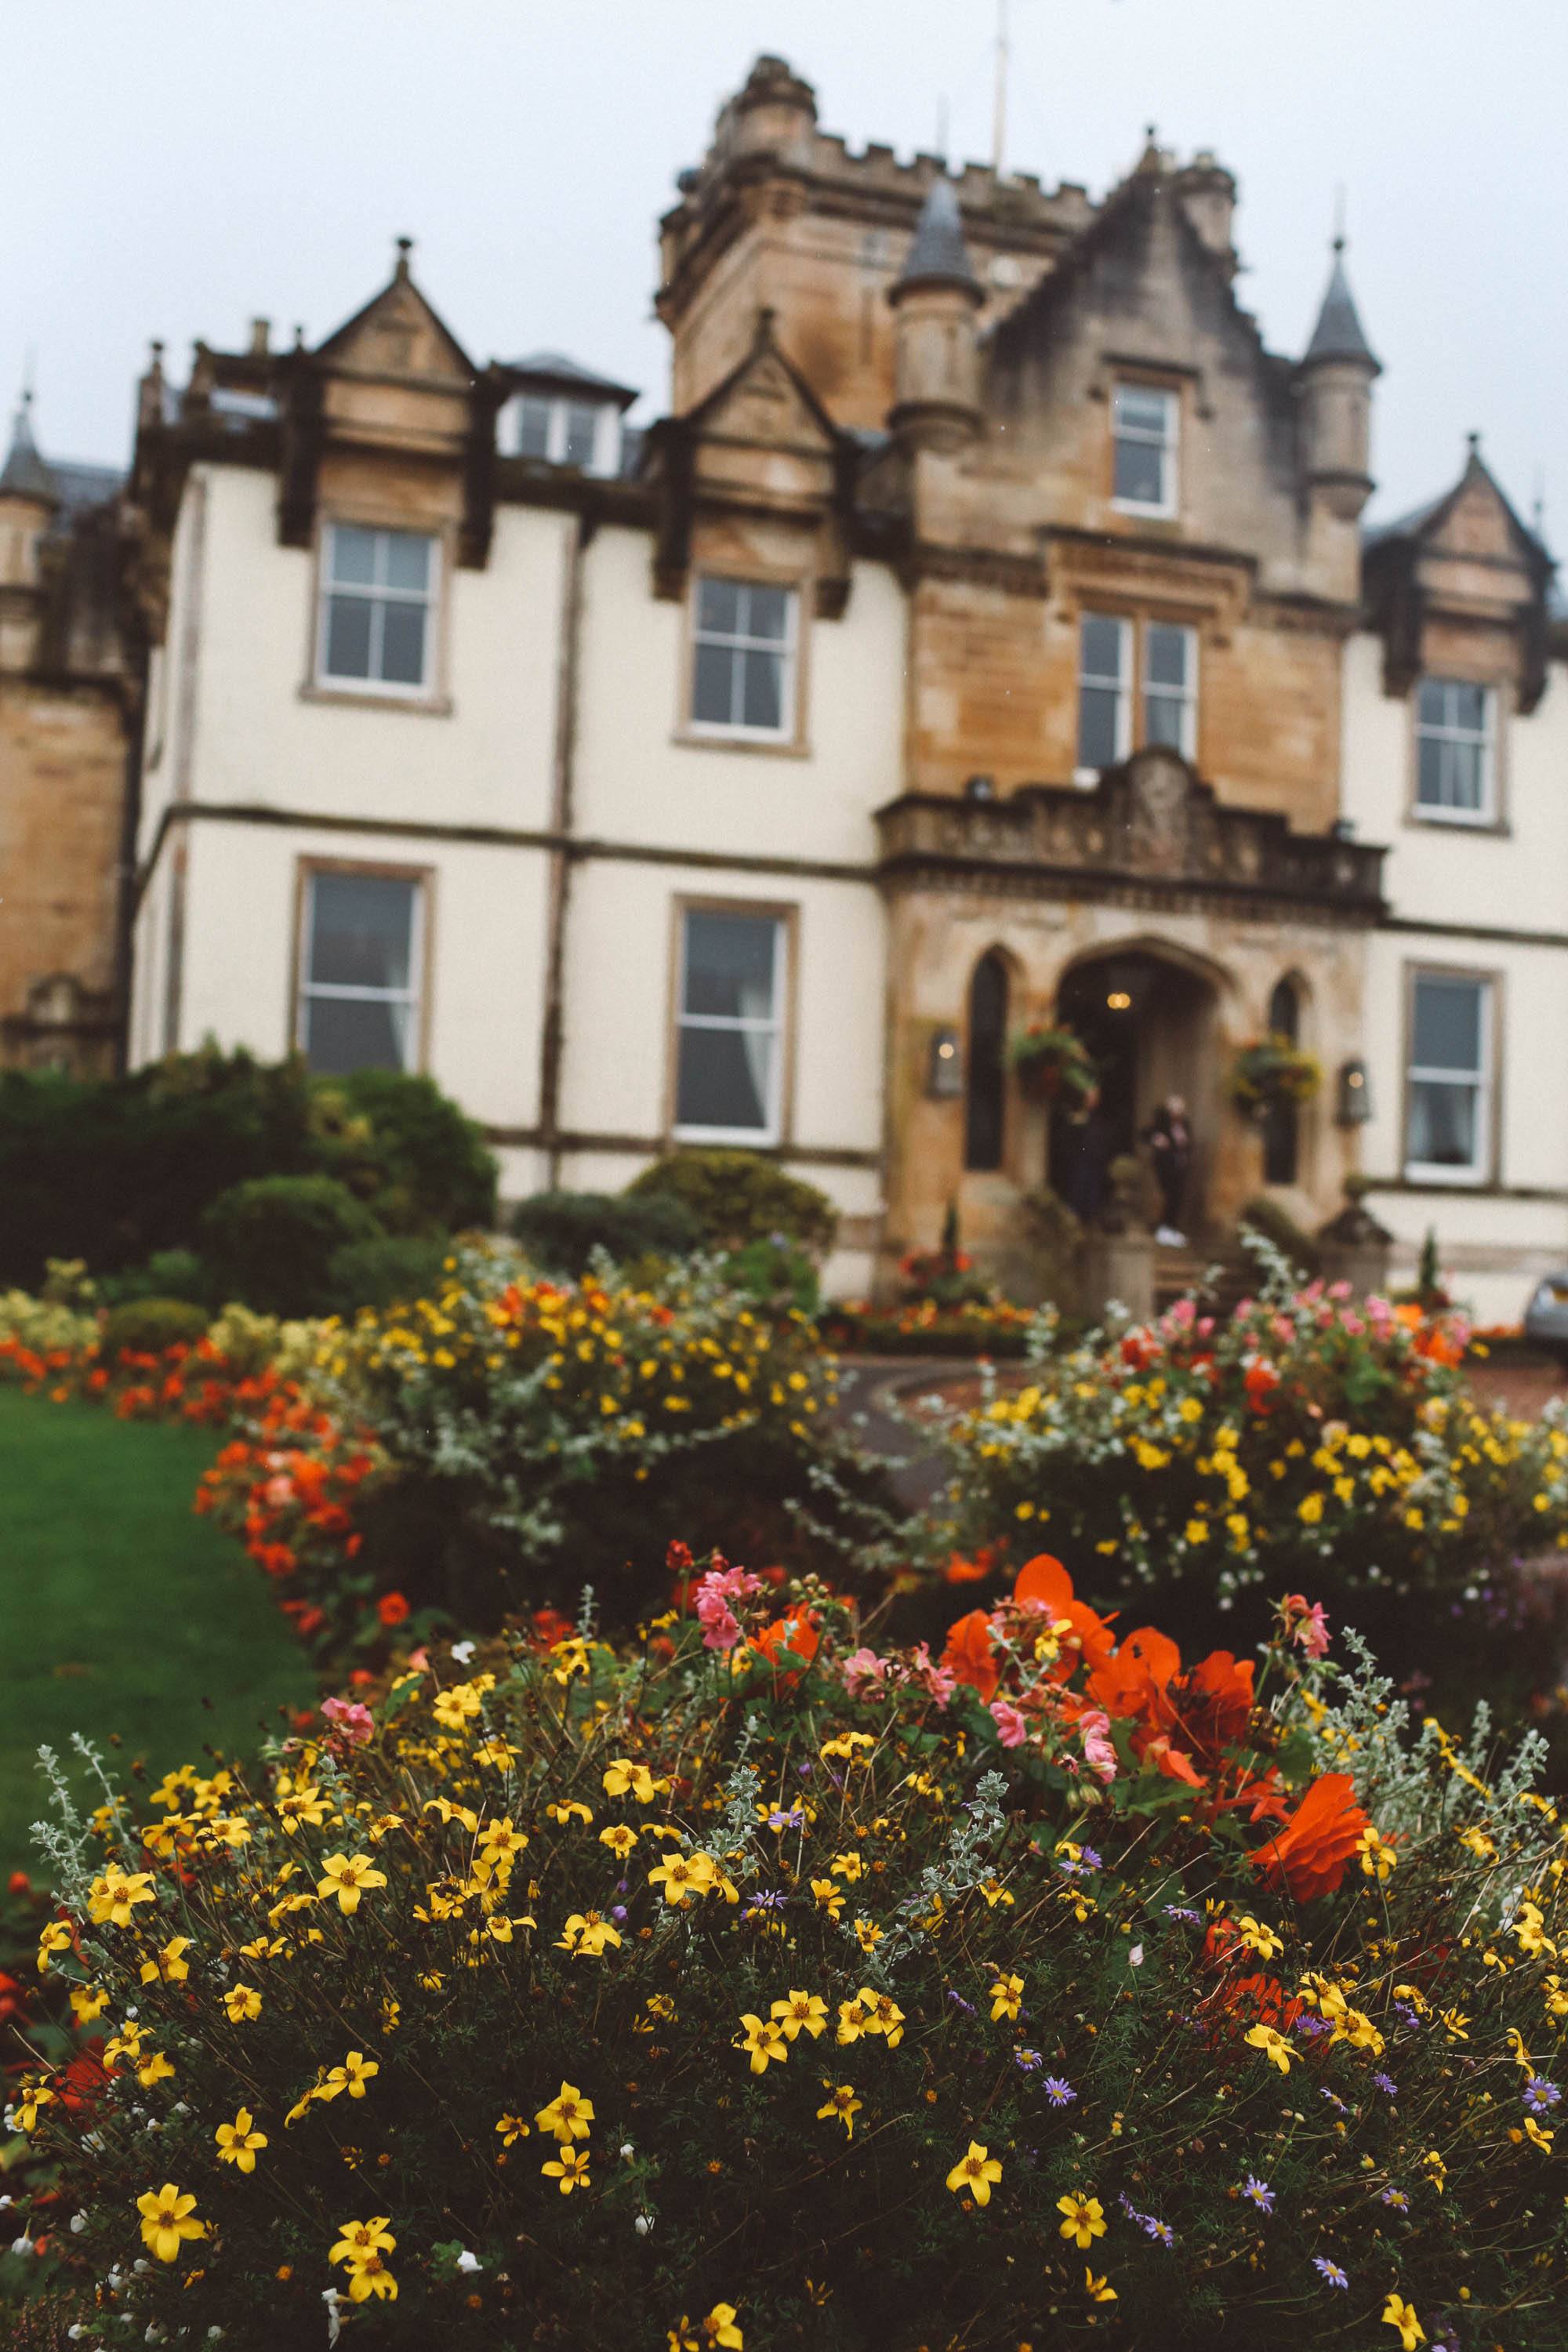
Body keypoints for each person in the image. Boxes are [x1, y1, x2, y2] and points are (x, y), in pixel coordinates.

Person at [1144, 1094, 1192, 1247]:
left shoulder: (1185, 1125)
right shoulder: (1162, 1125)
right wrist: (1157, 1140)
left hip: (1180, 1166)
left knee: (1177, 1197)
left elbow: (1188, 1143)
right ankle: (1164, 1229)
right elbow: (1146, 1134)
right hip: (1166, 1167)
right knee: (1168, 1196)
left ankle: (1172, 1229)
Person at [1060, 1084, 1112, 1225]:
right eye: (1090, 1097)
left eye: (1095, 1097)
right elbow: (1070, 1139)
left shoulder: (1101, 1117)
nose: (1093, 1100)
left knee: (1093, 1195)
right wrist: (1076, 1155)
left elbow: (1105, 1138)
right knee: (1078, 1192)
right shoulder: (1078, 1115)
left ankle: (1089, 1223)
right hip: (1081, 1161)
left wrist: (1103, 1155)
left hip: (1097, 1161)